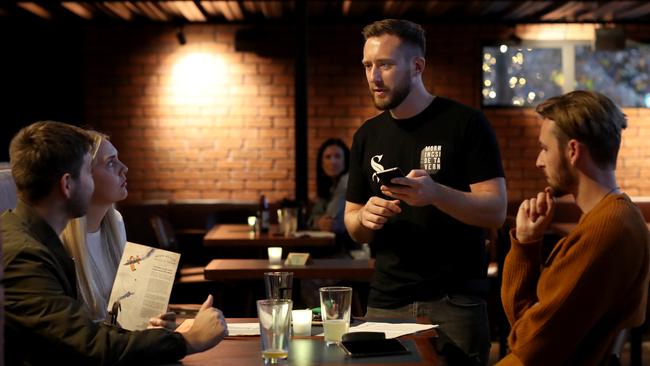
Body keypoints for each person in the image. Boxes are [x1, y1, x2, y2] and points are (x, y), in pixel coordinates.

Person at [344, 19, 507, 364]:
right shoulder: (366, 135)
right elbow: (353, 224)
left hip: (454, 300)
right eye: (368, 66)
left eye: (385, 65)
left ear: (417, 66)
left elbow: (495, 210)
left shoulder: (466, 124)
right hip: (386, 298)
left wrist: (436, 194)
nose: (373, 77)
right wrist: (365, 217)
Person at [1, 121, 227, 365]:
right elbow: (89, 344)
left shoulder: (36, 239)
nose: (124, 169)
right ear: (67, 185)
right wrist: (190, 340)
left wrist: (156, 336)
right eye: (89, 171)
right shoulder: (25, 255)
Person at [497, 91, 650, 365]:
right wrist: (528, 241)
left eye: (545, 149)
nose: (538, 161)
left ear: (573, 151)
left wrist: (523, 244)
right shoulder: (617, 216)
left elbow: (528, 345)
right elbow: (530, 331)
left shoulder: (606, 228)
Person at [60, 131, 177, 329]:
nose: (125, 168)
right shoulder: (58, 239)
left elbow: (123, 314)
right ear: (84, 176)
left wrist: (151, 322)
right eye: (111, 162)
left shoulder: (116, 221)